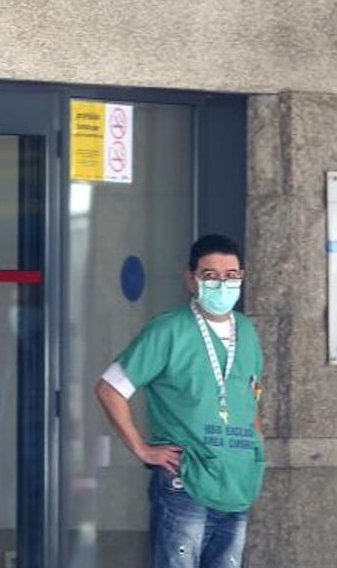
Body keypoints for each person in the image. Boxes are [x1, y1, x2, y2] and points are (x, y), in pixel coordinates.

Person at [94, 234, 264, 568]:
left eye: (231, 275)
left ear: (242, 276)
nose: (222, 284)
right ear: (191, 279)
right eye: (211, 276)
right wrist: (142, 449)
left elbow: (251, 397)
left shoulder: (247, 332)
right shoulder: (169, 330)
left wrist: (257, 450)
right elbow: (110, 388)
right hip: (185, 479)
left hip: (236, 480)